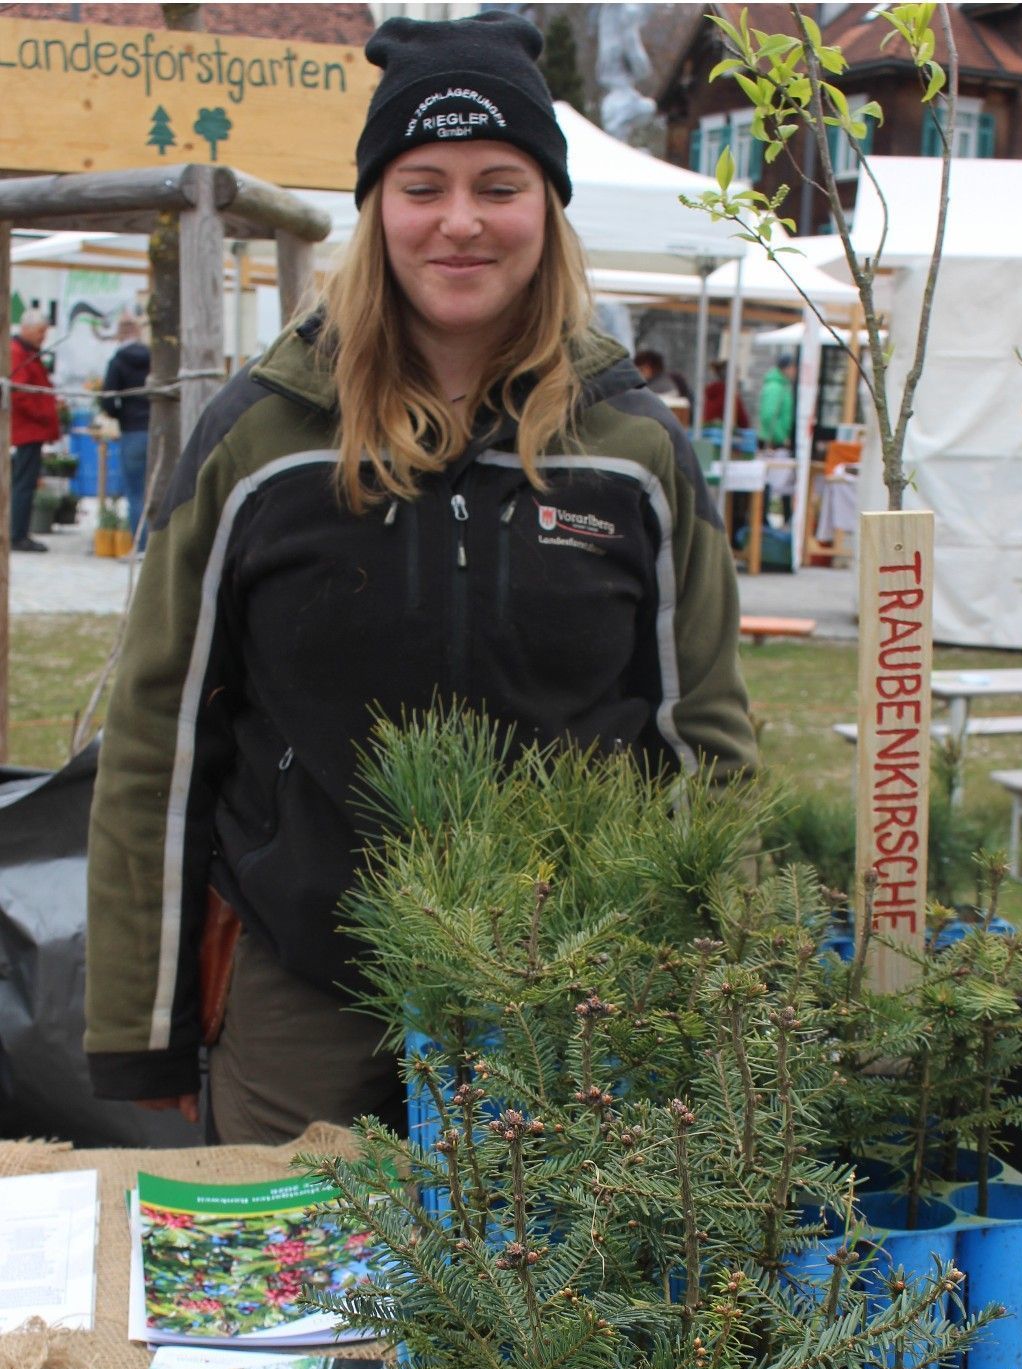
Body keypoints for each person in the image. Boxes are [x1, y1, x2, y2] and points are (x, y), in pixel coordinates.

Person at [83, 9, 758, 1148]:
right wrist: (139, 1026)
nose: (460, 223)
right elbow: (161, 737)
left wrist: (727, 995)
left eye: (500, 184)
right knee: (291, 1307)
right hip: (307, 978)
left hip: (571, 997)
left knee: (552, 1312)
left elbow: (706, 745)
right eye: (422, 184)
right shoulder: (261, 443)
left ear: (548, 208)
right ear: (374, 208)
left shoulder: (632, 454)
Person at [9, 309, 60, 552]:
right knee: (23, 484)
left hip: (31, 429)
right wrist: (43, 413)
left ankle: (18, 531)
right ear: (27, 329)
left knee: (25, 482)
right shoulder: (19, 353)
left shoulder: (27, 352)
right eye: (40, 332)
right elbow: (20, 394)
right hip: (27, 429)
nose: (43, 337)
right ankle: (17, 534)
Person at [100, 313, 151, 549]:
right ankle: (157, 549)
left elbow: (108, 400)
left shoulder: (117, 361)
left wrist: (120, 416)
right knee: (159, 491)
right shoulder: (154, 358)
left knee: (135, 493)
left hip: (132, 430)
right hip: (157, 429)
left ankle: (141, 546)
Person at [758, 353, 797, 524]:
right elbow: (769, 416)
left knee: (781, 481)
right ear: (787, 367)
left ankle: (782, 518)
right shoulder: (776, 387)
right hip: (774, 443)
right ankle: (763, 520)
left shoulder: (782, 386)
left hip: (777, 440)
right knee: (770, 481)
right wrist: (782, 437)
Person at [702, 359, 750, 431]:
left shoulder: (708, 393)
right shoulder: (730, 395)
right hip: (721, 437)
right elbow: (744, 423)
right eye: (737, 374)